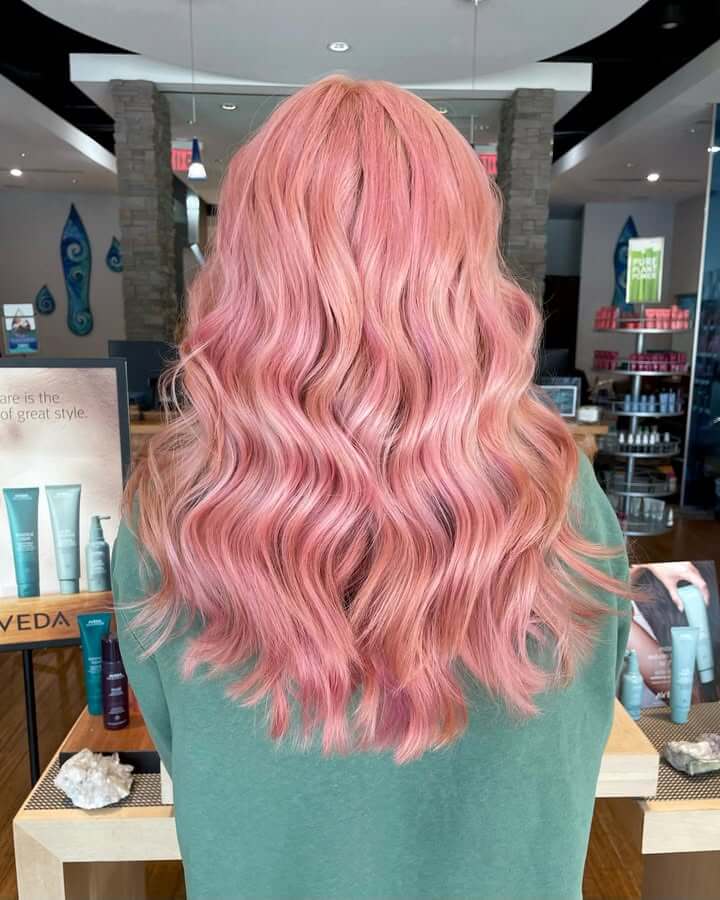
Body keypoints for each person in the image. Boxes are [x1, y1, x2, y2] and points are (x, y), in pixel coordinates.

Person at [112, 76, 630, 900]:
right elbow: (583, 734)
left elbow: (183, 748)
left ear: (250, 261)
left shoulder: (172, 512)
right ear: (462, 254)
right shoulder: (562, 500)